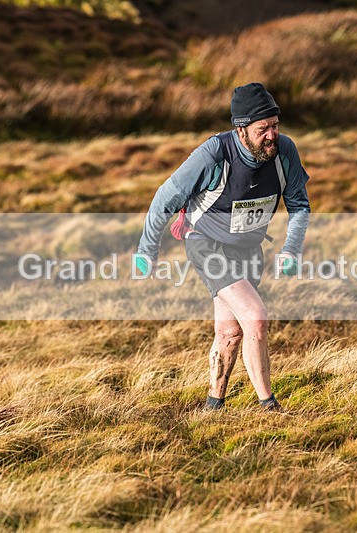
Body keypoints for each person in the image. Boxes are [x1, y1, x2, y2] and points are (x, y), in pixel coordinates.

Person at [136, 82, 310, 412]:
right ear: (241, 130)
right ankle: (269, 407)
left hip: (248, 248)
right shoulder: (213, 154)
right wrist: (147, 250)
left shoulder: (284, 151)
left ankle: (213, 405)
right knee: (255, 318)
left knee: (230, 332)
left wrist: (291, 249)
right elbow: (164, 198)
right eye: (263, 129)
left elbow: (299, 204)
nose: (272, 135)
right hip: (206, 244)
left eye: (275, 125)